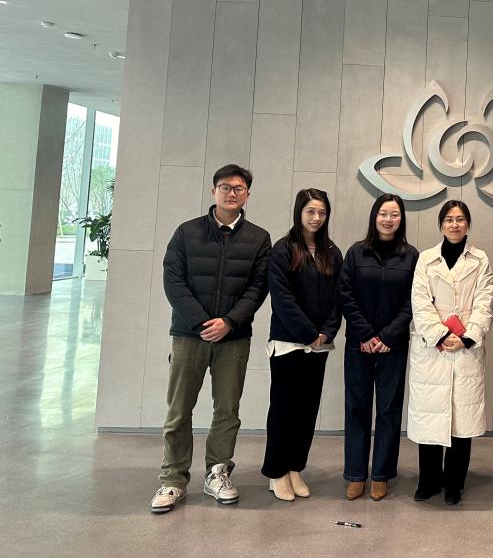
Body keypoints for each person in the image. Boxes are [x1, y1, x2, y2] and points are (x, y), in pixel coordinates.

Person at [150, 164, 272, 514]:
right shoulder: (187, 232)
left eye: (238, 188)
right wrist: (203, 322)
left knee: (227, 410)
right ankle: (173, 479)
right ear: (213, 191)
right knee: (179, 409)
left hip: (234, 338)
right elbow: (173, 280)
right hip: (189, 335)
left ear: (247, 194)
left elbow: (258, 288)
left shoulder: (258, 238)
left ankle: (218, 473)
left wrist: (229, 322)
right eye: (225, 187)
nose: (231, 193)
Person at [407, 200, 493, 505]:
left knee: (462, 418)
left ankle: (455, 482)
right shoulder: (426, 259)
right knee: (431, 416)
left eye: (460, 219)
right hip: (433, 348)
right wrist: (441, 333)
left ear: (468, 224)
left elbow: (485, 301)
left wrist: (467, 337)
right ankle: (428, 480)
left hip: (465, 348)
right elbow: (419, 302)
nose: (454, 224)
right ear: (441, 224)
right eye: (448, 219)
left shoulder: (480, 260)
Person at [262, 189, 342, 501]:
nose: (316, 218)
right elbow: (282, 298)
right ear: (299, 212)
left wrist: (327, 332)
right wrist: (308, 332)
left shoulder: (331, 252)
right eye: (310, 211)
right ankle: (276, 472)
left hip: (319, 346)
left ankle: (295, 467)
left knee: (307, 411)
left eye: (322, 212)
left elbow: (338, 298)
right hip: (288, 343)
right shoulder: (283, 250)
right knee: (284, 409)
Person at [339, 193, 418, 502]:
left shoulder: (411, 256)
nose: (388, 219)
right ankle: (355, 474)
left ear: (401, 219)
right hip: (358, 344)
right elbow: (345, 295)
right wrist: (366, 333)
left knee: (388, 409)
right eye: (383, 213)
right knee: (357, 408)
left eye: (394, 214)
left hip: (393, 346)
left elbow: (413, 302)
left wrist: (387, 336)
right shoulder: (356, 252)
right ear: (374, 216)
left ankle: (382, 474)